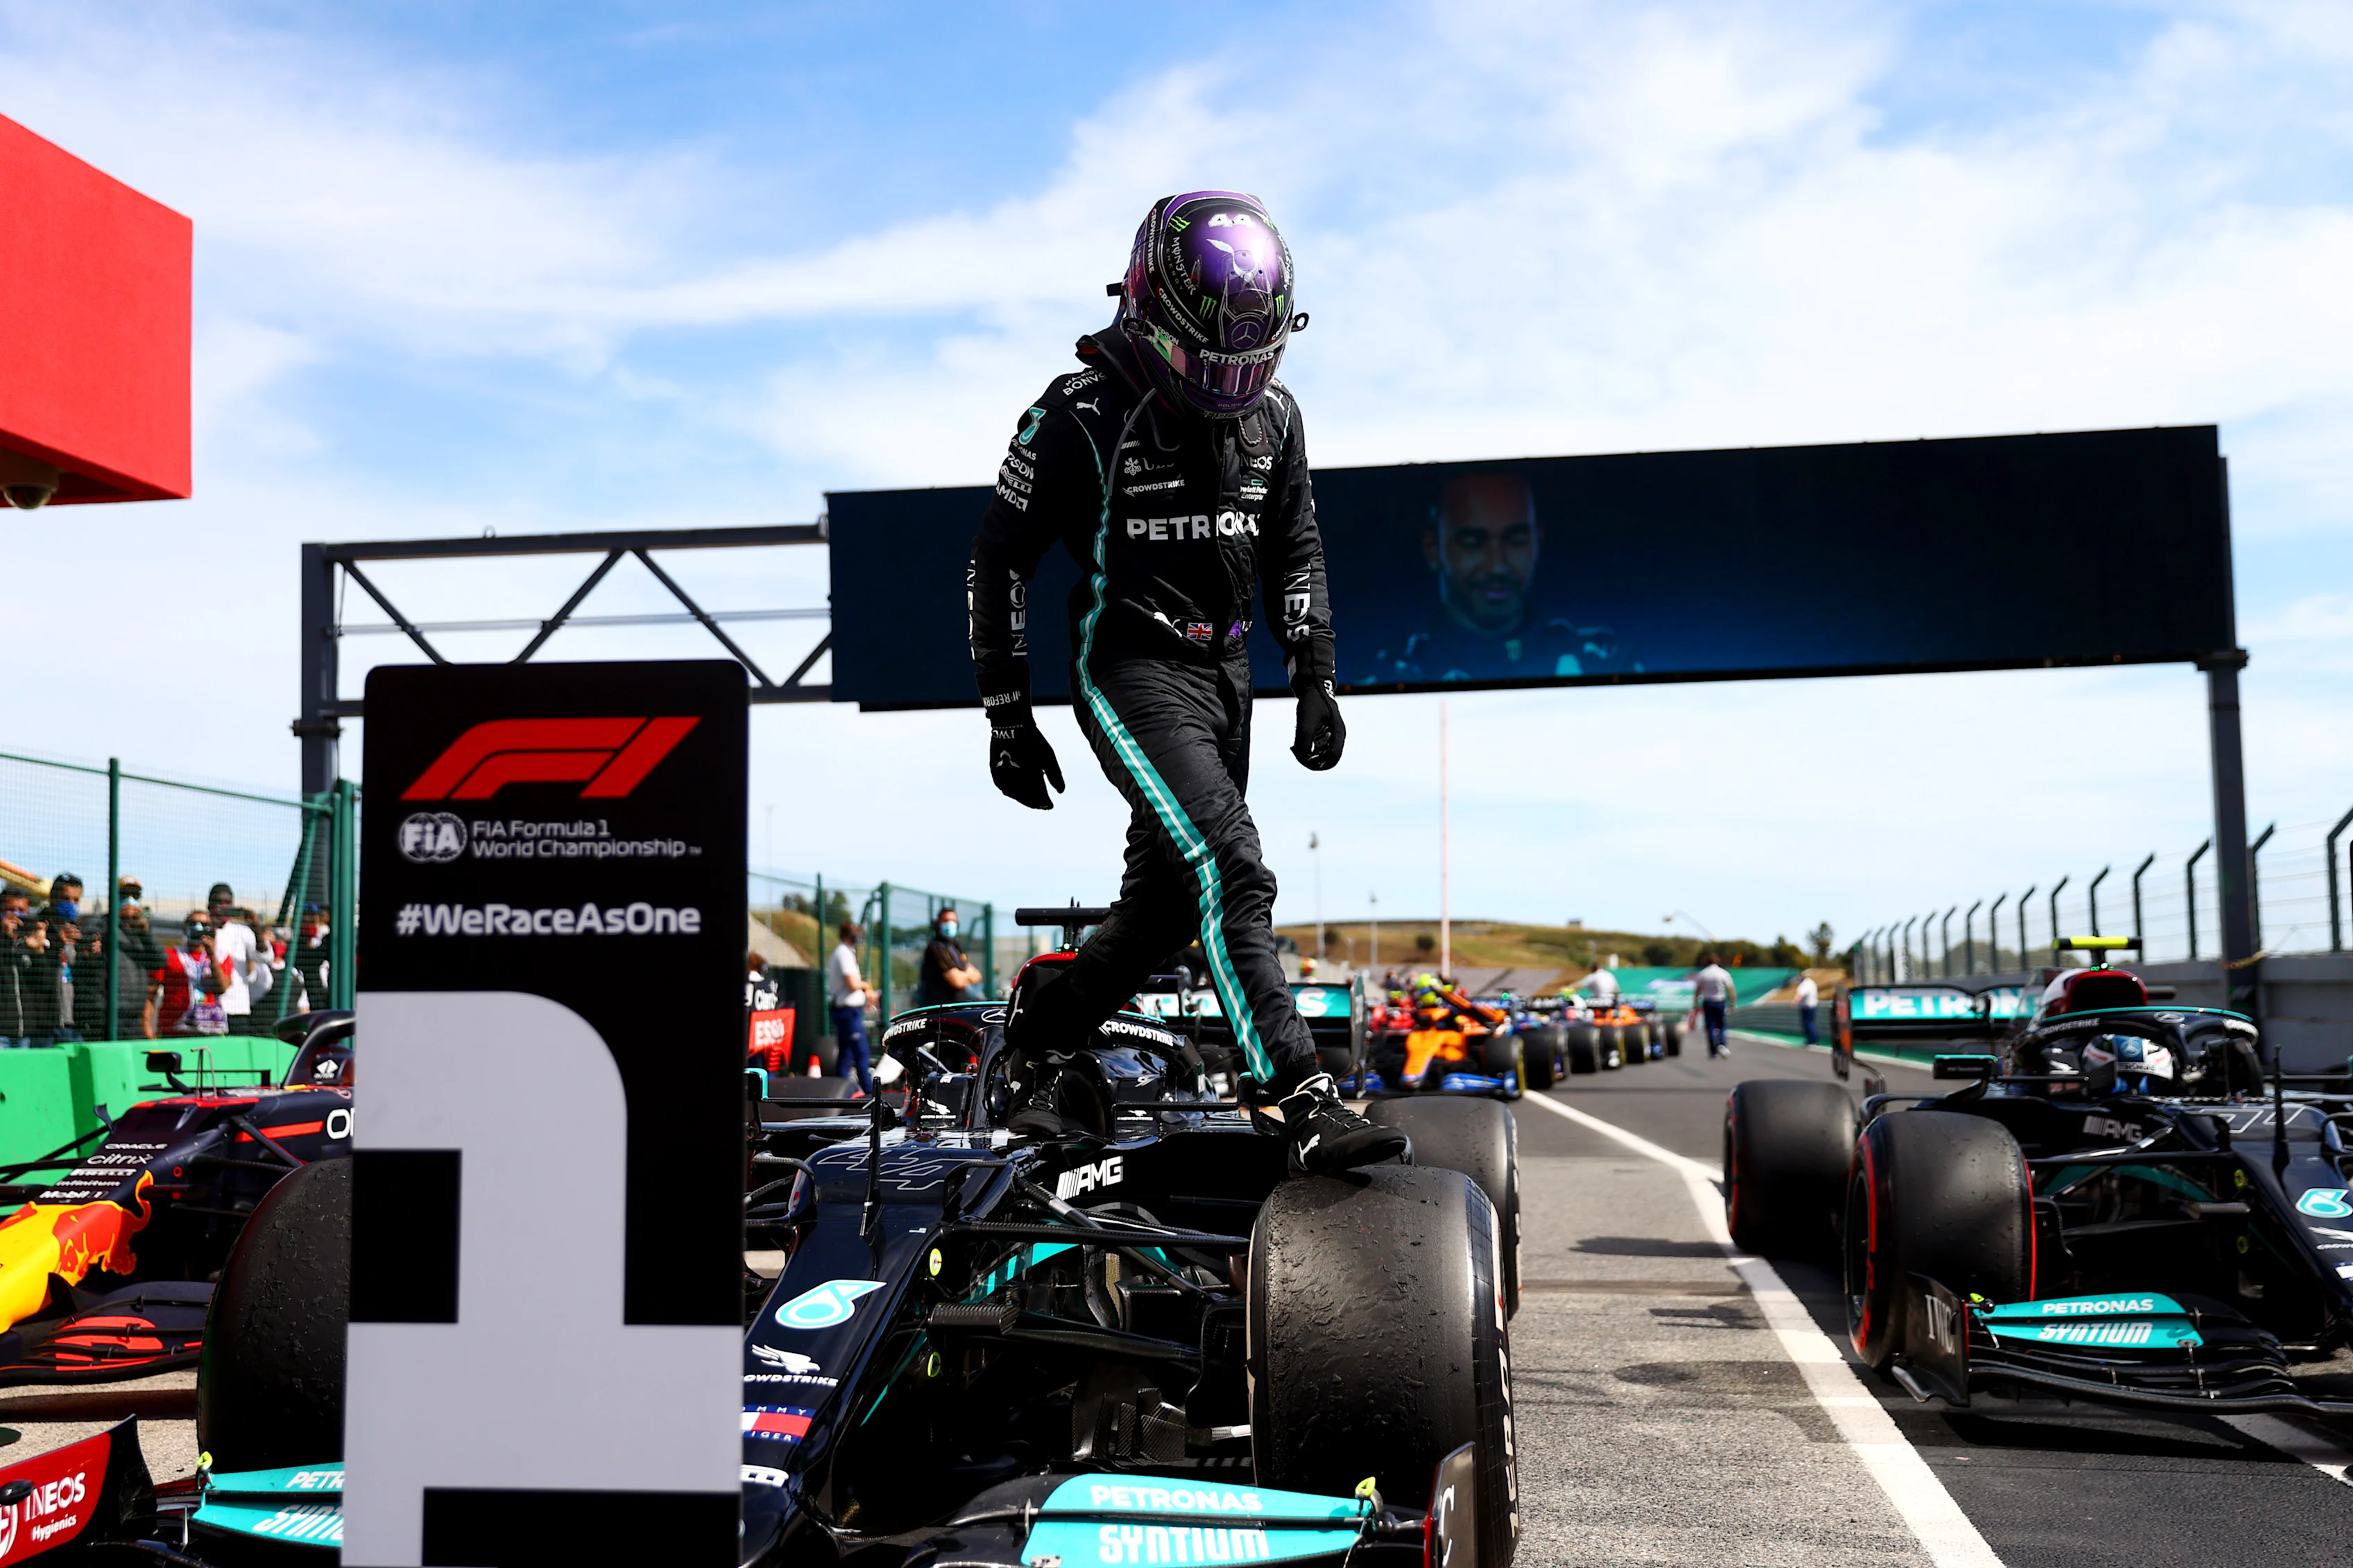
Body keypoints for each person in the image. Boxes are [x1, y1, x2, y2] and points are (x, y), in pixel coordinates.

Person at [966, 189, 1403, 1175]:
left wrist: (1316, 673)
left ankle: (1043, 1031)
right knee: (1231, 866)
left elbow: (1298, 546)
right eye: (1213, 360)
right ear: (1148, 307)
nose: (1234, 380)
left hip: (1228, 674)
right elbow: (996, 561)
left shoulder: (1279, 417)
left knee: (1168, 908)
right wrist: (1006, 708)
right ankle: (1295, 1092)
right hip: (1129, 663)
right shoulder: (1074, 414)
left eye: (1253, 358)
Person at [1357, 472, 1639, 684]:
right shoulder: (1392, 671)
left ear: (1537, 542)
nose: (1497, 566)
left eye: (1515, 540)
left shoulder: (1604, 658)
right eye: (1472, 542)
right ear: (1433, 549)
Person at [203, 884, 264, 1035]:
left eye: (227, 902)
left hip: (237, 1008)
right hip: (207, 1009)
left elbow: (264, 956)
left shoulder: (243, 931)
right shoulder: (201, 930)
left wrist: (256, 926)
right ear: (209, 905)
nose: (222, 906)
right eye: (218, 902)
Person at [825, 922, 876, 1096]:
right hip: (848, 1012)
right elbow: (853, 983)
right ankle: (869, 1092)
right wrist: (865, 986)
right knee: (861, 1051)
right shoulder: (844, 953)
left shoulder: (845, 952)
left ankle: (840, 1091)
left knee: (846, 1054)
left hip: (849, 1011)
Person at [158, 915, 230, 1037]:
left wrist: (211, 955)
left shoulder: (222, 956)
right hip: (175, 1028)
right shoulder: (170, 954)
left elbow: (222, 988)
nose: (198, 928)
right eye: (193, 923)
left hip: (210, 1027)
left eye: (204, 924)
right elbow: (151, 991)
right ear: (185, 928)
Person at [918, 908, 982, 1008]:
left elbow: (978, 976)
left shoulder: (956, 947)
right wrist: (969, 975)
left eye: (953, 921)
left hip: (959, 1008)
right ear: (938, 924)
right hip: (940, 1011)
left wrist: (964, 975)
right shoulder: (936, 947)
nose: (950, 924)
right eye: (946, 921)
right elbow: (957, 981)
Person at [0, 893, 31, 1047]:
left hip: (25, 1033)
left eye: (21, 910)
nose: (16, 915)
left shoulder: (29, 943)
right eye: (10, 910)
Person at [1691, 952, 1736, 1058]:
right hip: (1720, 1001)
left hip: (1708, 1002)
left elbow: (1698, 990)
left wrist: (1695, 1003)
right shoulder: (1723, 973)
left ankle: (1712, 1049)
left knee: (1711, 1026)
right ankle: (1722, 1044)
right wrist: (1732, 1003)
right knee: (1721, 1025)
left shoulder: (1703, 974)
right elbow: (1731, 989)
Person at [1793, 970, 1820, 1046]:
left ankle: (1812, 1040)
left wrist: (1795, 1001)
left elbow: (1801, 994)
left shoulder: (1805, 984)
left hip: (1807, 1007)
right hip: (1813, 1006)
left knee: (1808, 1024)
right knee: (1811, 1023)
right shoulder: (1811, 983)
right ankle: (1813, 1039)